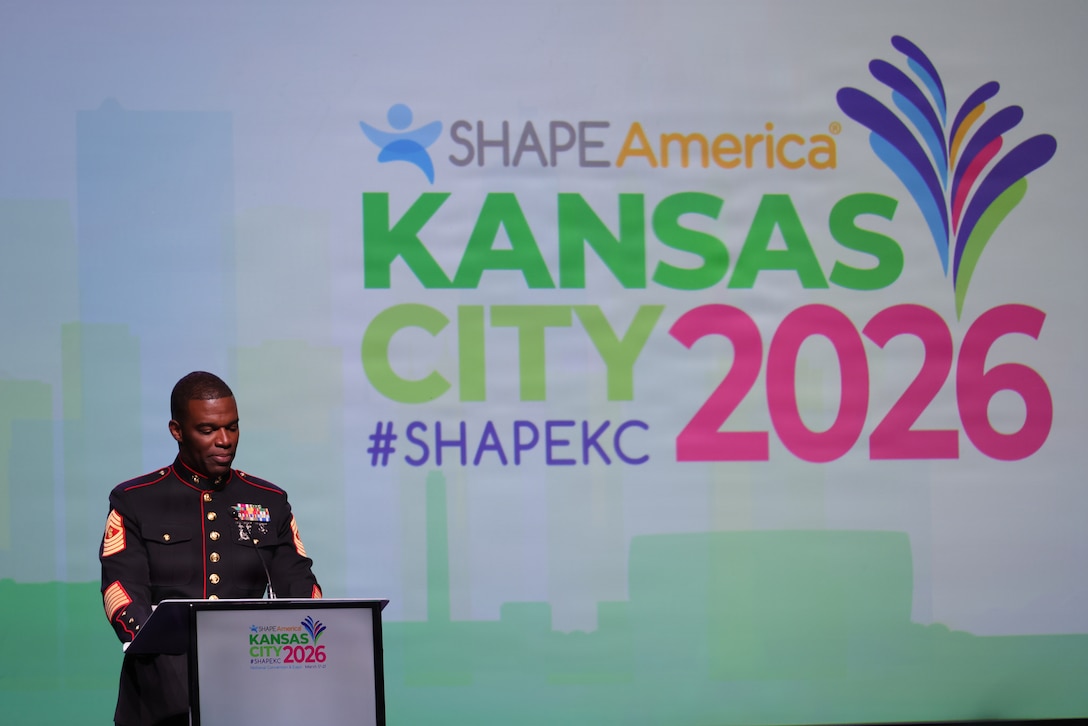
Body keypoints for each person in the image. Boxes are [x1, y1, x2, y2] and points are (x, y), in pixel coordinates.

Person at [99, 371, 322, 726]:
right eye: (207, 430)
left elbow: (299, 584)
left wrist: (314, 637)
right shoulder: (135, 500)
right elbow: (121, 588)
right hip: (160, 691)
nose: (224, 440)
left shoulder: (268, 500)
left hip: (252, 687)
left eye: (232, 428)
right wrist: (148, 642)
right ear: (177, 431)